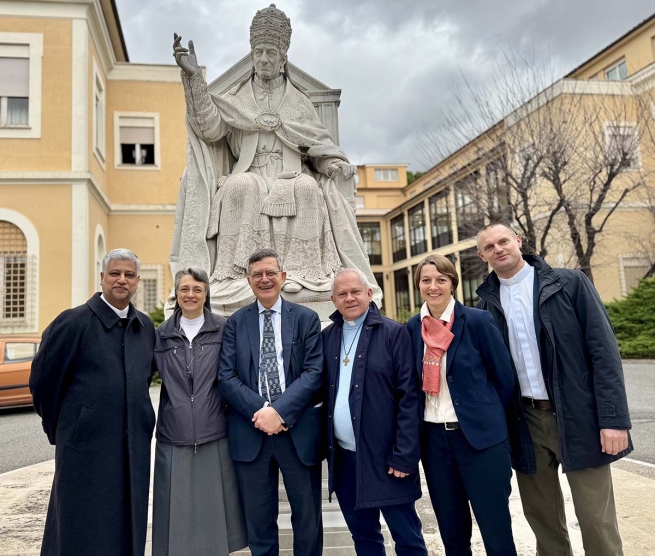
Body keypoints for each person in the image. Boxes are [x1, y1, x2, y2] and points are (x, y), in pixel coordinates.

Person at [170, 4, 381, 312]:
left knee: (309, 189)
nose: (264, 59)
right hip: (249, 171)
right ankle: (237, 271)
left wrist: (332, 164)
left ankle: (301, 272)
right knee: (243, 185)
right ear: (252, 55)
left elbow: (318, 145)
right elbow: (209, 128)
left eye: (271, 53)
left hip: (292, 175)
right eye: (259, 53)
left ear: (283, 59)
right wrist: (192, 79)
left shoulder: (299, 103)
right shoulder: (236, 99)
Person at [476, 223, 632, 556]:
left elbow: (604, 353)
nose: (498, 249)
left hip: (578, 416)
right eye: (489, 247)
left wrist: (614, 419)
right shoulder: (485, 306)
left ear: (518, 241)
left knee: (596, 520)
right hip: (524, 421)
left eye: (503, 241)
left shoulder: (569, 283)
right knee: (543, 522)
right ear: (482, 255)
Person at [29, 249, 156, 556]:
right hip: (84, 449)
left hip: (132, 448)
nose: (121, 280)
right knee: (80, 526)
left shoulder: (145, 327)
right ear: (102, 278)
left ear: (138, 280)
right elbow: (44, 381)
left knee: (126, 523)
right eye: (114, 273)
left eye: (129, 274)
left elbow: (145, 376)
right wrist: (65, 428)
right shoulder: (73, 323)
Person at [406, 255, 517, 556]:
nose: (433, 286)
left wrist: (486, 419)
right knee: (452, 533)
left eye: (441, 279)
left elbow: (504, 379)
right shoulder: (412, 328)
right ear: (418, 285)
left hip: (481, 441)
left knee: (496, 529)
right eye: (426, 280)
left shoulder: (478, 321)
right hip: (435, 442)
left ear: (452, 283)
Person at [217, 248, 324, 556]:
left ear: (283, 277)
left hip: (298, 432)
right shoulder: (235, 323)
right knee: (259, 522)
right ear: (249, 281)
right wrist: (263, 411)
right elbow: (227, 377)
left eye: (270, 273)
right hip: (251, 433)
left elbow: (314, 372)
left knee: (307, 519)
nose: (264, 280)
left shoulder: (305, 319)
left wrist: (280, 411)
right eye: (257, 275)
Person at [322, 268, 427, 556]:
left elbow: (410, 398)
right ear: (333, 300)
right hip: (345, 460)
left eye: (356, 291)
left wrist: (405, 455)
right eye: (342, 294)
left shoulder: (394, 333)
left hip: (387, 459)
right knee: (364, 539)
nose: (350, 298)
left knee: (407, 538)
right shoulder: (328, 337)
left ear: (369, 293)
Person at [152, 267, 247, 556]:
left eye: (197, 289)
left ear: (206, 294)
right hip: (174, 433)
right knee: (177, 510)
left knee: (214, 508)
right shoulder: (161, 335)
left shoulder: (224, 328)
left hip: (215, 430)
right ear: (176, 294)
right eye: (184, 289)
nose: (190, 294)